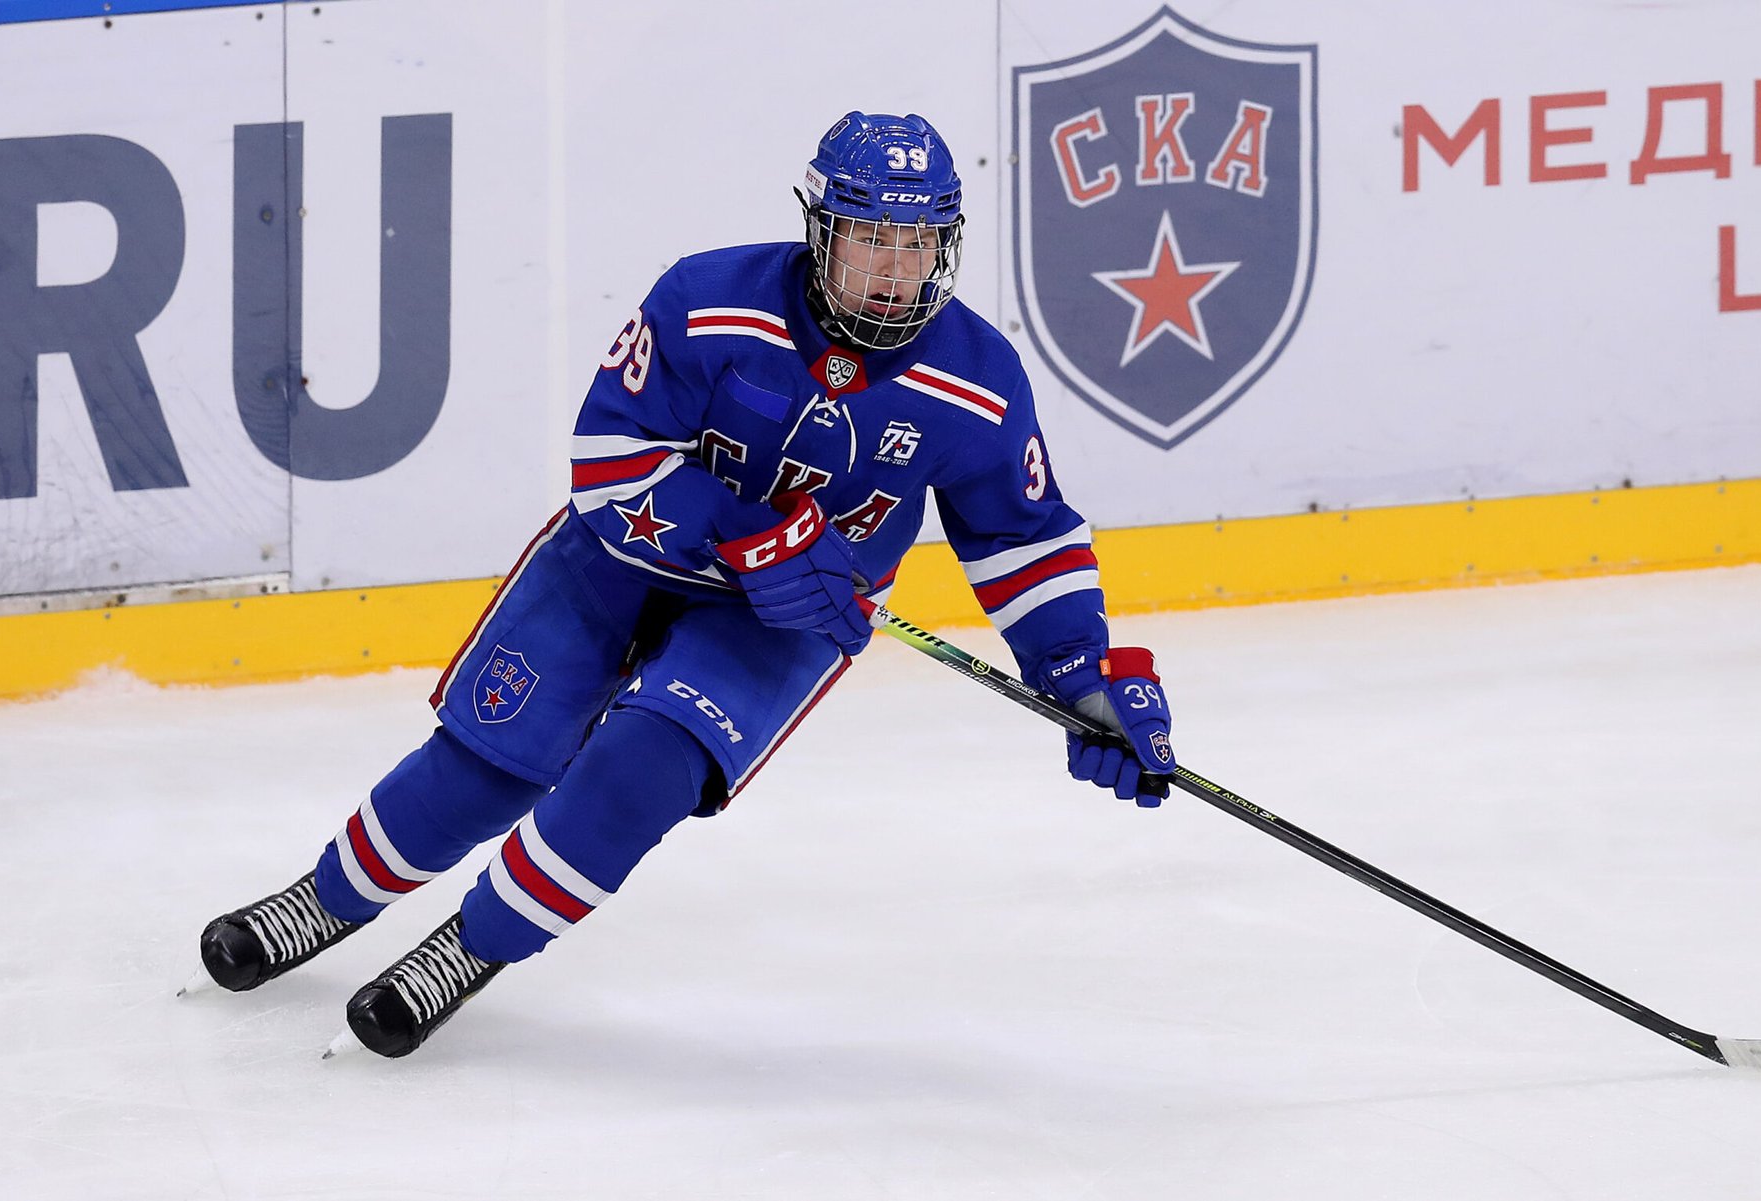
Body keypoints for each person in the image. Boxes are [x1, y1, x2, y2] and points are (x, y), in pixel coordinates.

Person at [190, 111, 1179, 1059]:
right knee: (487, 766)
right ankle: (325, 899)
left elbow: (1024, 540)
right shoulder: (709, 300)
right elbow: (605, 459)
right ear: (821, 230)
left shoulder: (980, 380)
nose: (894, 268)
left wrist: (1079, 673)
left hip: (785, 619)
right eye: (871, 237)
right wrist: (744, 526)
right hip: (616, 563)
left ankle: (470, 947)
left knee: (642, 773)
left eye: (917, 242)